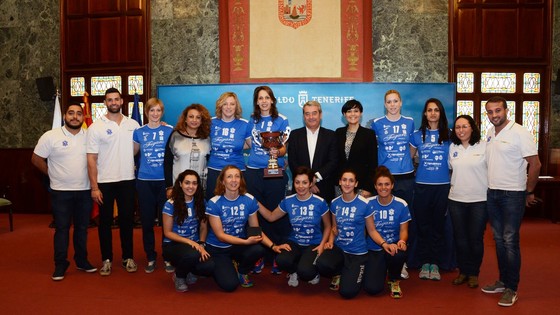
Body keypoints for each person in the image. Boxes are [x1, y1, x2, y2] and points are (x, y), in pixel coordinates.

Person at [481, 96, 541, 307]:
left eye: (498, 110)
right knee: (498, 240)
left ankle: (512, 288)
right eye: (490, 112)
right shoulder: (489, 133)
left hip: (512, 195)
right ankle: (503, 280)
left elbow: (535, 164)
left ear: (506, 110)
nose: (494, 115)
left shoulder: (520, 133)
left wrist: (529, 191)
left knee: (510, 240)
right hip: (493, 194)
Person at [32, 103, 97, 280]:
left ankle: (82, 261)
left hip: (85, 191)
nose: (75, 117)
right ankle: (60, 264)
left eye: (78, 114)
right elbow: (36, 159)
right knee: (61, 229)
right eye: (71, 113)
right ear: (64, 116)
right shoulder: (50, 136)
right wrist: (51, 173)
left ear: (83, 117)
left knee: (82, 229)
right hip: (60, 192)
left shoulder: (90, 135)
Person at [205, 165, 289, 292]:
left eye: (237, 176)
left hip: (238, 245)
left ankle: (242, 271)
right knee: (229, 285)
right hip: (219, 248)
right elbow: (220, 236)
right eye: (229, 176)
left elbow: (255, 230)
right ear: (223, 181)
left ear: (241, 180)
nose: (234, 180)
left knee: (258, 249)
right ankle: (223, 265)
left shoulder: (249, 200)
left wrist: (273, 246)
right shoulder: (214, 202)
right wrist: (245, 242)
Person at [87, 87, 140, 276]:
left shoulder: (133, 124)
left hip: (127, 180)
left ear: (122, 101)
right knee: (105, 223)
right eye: (110, 100)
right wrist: (94, 187)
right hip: (105, 182)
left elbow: (136, 150)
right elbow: (91, 158)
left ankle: (128, 258)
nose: (114, 102)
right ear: (105, 103)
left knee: (127, 221)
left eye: (116, 99)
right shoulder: (95, 127)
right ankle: (106, 259)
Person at [316, 169, 386, 299]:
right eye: (344, 180)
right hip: (340, 249)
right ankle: (339, 272)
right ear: (340, 182)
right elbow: (334, 228)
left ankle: (356, 271)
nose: (347, 183)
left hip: (357, 253)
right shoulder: (335, 203)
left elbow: (371, 230)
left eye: (351, 180)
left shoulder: (365, 204)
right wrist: (330, 241)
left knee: (347, 293)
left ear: (356, 184)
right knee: (322, 263)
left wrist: (383, 243)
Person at [257, 166, 331, 287]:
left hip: (313, 244)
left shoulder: (320, 202)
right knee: (281, 260)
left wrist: (322, 245)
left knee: (306, 273)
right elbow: (270, 217)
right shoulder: (288, 201)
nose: (300, 186)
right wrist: (256, 202)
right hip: (294, 242)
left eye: (304, 182)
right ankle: (293, 271)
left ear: (311, 183)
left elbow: (328, 226)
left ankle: (312, 271)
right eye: (297, 182)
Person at [246, 86, 291, 274]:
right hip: (254, 171)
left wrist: (277, 151)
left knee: (275, 213)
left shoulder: (281, 120)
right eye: (260, 98)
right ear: (256, 101)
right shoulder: (252, 121)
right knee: (256, 214)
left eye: (267, 97)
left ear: (272, 100)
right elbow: (249, 144)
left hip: (274, 172)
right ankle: (259, 255)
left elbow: (284, 148)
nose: (264, 101)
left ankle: (276, 256)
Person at [370, 90, 415, 277]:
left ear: (401, 102)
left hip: (405, 177)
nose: (393, 104)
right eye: (389, 102)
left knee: (402, 221)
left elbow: (412, 147)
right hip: (384, 179)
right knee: (383, 220)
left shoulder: (410, 122)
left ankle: (401, 260)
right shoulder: (377, 124)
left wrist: (404, 162)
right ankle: (382, 256)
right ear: (385, 104)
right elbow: (373, 148)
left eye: (396, 101)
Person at [410, 98, 451, 281]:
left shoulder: (450, 135)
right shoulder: (417, 135)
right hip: (422, 187)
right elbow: (409, 160)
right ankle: (424, 261)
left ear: (440, 113)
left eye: (436, 110)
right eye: (429, 110)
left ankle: (435, 262)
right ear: (425, 114)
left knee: (437, 226)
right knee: (423, 225)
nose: (433, 113)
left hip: (442, 187)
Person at [133, 97, 173, 273]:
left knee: (167, 223)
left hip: (164, 183)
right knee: (147, 222)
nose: (155, 114)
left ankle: (168, 256)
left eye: (158, 110)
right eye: (152, 110)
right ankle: (150, 256)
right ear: (147, 112)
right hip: (144, 182)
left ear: (162, 112)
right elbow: (133, 154)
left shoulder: (170, 130)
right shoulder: (139, 131)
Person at [448, 115, 488, 289]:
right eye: (457, 127)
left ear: (472, 127)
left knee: (475, 239)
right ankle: (463, 271)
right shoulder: (452, 148)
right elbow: (451, 171)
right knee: (460, 238)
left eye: (464, 126)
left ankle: (473, 273)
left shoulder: (484, 146)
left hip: (479, 200)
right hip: (456, 199)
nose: (461, 130)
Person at [162, 169, 215, 292]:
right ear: (180, 184)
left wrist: (201, 243)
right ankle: (179, 276)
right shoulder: (170, 204)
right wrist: (191, 243)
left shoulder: (201, 202)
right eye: (187, 183)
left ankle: (189, 270)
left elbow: (203, 227)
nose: (191, 186)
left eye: (194, 183)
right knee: (192, 254)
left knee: (209, 266)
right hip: (173, 244)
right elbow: (167, 232)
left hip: (195, 244)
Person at [363, 166, 411, 299]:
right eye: (380, 184)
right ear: (375, 186)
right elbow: (371, 230)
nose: (383, 187)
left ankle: (394, 279)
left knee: (399, 253)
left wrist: (401, 241)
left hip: (394, 247)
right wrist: (384, 244)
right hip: (375, 248)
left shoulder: (401, 204)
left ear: (392, 185)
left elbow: (404, 230)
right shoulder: (368, 203)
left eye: (387, 184)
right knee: (372, 289)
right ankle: (383, 268)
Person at [288, 100, 338, 204]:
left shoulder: (331, 135)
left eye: (314, 113)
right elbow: (292, 162)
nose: (311, 117)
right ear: (303, 116)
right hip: (300, 190)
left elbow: (333, 161)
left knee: (325, 220)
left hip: (324, 189)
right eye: (307, 114)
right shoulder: (294, 135)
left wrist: (314, 179)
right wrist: (307, 183)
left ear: (320, 115)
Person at [206, 92, 251, 200]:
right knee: (213, 204)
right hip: (215, 170)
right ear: (220, 105)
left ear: (236, 106)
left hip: (237, 171)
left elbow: (252, 145)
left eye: (232, 104)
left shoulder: (245, 124)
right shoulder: (210, 123)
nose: (228, 107)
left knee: (237, 203)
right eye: (225, 104)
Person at [164, 103, 211, 197]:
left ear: (202, 121)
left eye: (198, 117)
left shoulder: (207, 138)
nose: (194, 120)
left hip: (200, 188)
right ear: (185, 119)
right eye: (191, 116)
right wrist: (169, 187)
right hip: (178, 187)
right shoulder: (175, 136)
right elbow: (167, 162)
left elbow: (209, 162)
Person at [335, 99, 378, 197]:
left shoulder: (369, 134)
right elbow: (336, 160)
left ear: (361, 113)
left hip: (362, 186)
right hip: (341, 186)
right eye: (349, 111)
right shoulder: (338, 133)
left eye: (356, 111)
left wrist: (368, 187)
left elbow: (373, 164)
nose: (352, 114)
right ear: (344, 114)